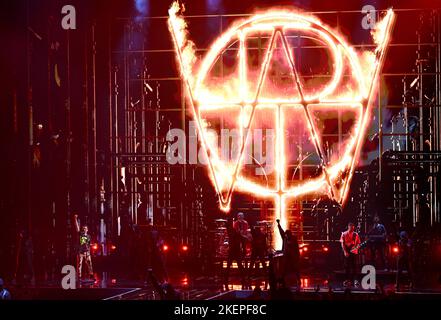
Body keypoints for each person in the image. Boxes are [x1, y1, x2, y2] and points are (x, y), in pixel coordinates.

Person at [225, 212, 249, 289]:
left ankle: (242, 278)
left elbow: (243, 237)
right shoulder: (234, 230)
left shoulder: (235, 233)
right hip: (233, 251)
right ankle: (227, 279)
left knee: (238, 265)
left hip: (235, 251)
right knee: (232, 265)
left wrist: (244, 249)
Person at [276, 219, 300, 288]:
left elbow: (296, 248)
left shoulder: (293, 239)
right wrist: (279, 224)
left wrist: (297, 257)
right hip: (287, 256)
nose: (286, 235)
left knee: (295, 268)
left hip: (292, 256)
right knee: (284, 268)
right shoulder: (285, 238)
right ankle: (282, 280)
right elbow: (281, 232)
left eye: (287, 234)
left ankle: (298, 279)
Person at [340, 222, 361, 287]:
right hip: (347, 251)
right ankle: (347, 279)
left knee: (355, 266)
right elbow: (342, 244)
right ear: (348, 227)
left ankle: (355, 280)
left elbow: (358, 244)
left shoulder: (356, 234)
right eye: (350, 227)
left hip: (354, 252)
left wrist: (355, 248)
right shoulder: (344, 234)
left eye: (353, 227)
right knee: (347, 266)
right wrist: (345, 252)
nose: (352, 228)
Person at [74, 215, 94, 280]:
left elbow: (89, 244)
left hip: (87, 252)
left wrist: (90, 246)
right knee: (79, 264)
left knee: (89, 263)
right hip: (80, 252)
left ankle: (91, 275)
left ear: (87, 230)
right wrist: (75, 219)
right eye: (83, 228)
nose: (84, 229)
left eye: (85, 228)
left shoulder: (89, 236)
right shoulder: (80, 234)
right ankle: (79, 276)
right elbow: (77, 227)